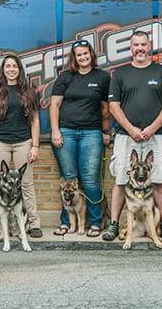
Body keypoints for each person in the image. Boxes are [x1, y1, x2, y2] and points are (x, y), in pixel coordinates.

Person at [102, 30, 162, 243]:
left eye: (143, 44)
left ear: (149, 46)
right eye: (136, 45)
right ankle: (114, 224)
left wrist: (152, 128)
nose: (140, 48)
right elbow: (113, 106)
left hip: (157, 136)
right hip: (127, 137)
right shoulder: (120, 74)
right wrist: (131, 129)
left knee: (160, 180)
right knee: (120, 180)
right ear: (130, 47)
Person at [0, 53, 42, 241]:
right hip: (0, 143)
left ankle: (33, 224)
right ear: (2, 70)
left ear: (19, 69)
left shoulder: (29, 91)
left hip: (23, 142)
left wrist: (35, 146)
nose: (11, 69)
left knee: (27, 184)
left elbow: (35, 121)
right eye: (8, 66)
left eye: (14, 66)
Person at [50, 40, 110, 237]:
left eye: (85, 53)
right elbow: (54, 105)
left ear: (91, 54)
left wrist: (106, 131)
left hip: (91, 133)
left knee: (91, 181)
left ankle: (94, 222)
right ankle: (66, 222)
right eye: (79, 55)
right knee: (68, 180)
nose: (83, 57)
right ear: (74, 58)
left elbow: (104, 109)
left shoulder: (102, 77)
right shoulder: (65, 77)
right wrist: (55, 131)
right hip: (66, 132)